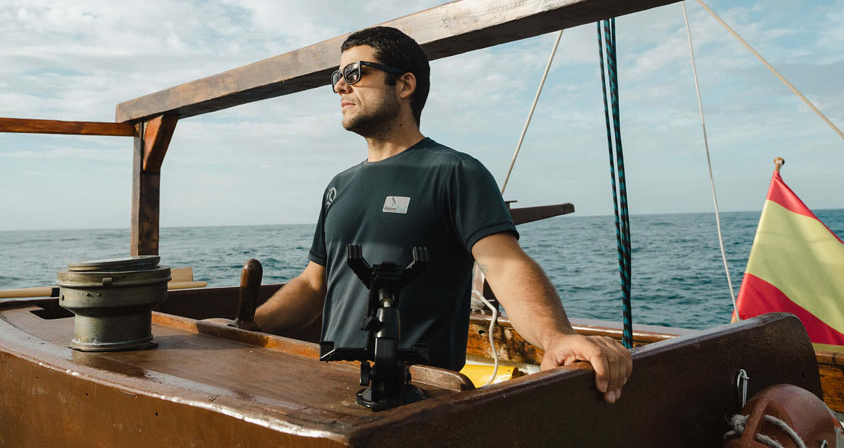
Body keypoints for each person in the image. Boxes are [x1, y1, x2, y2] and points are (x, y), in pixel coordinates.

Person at [253, 26, 632, 403]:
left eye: (356, 73)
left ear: (404, 85)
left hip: (423, 397)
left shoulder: (455, 172)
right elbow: (314, 284)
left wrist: (556, 336)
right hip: (332, 390)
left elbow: (504, 267)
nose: (340, 86)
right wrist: (246, 325)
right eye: (337, 76)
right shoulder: (338, 186)